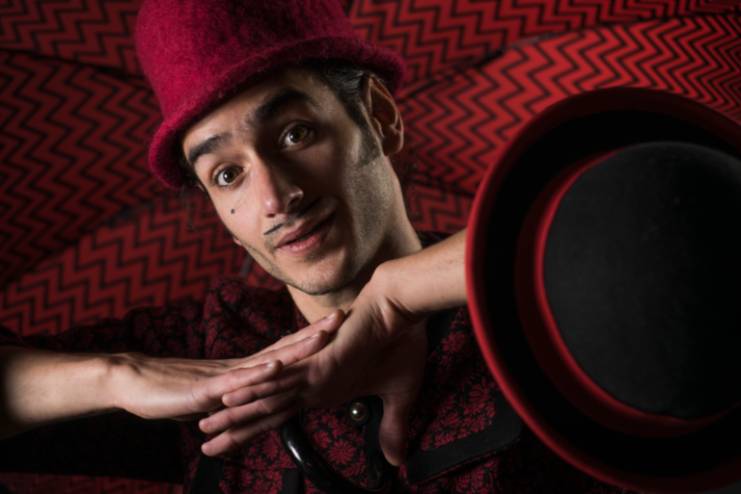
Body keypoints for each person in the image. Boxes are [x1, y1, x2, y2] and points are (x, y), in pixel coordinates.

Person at [0, 0, 627, 492]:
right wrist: (118, 374)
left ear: (378, 117)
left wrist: (396, 294)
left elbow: (630, 221)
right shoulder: (210, 353)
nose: (276, 198)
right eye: (227, 174)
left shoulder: (527, 302)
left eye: (295, 134)